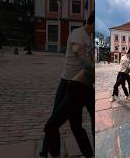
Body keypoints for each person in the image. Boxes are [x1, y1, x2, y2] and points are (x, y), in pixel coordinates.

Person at [40, 14, 94, 158]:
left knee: (71, 125)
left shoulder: (90, 38)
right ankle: (45, 151)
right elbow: (79, 53)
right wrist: (92, 67)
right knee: (58, 122)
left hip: (81, 86)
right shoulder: (78, 34)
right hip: (68, 84)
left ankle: (89, 153)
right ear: (93, 23)